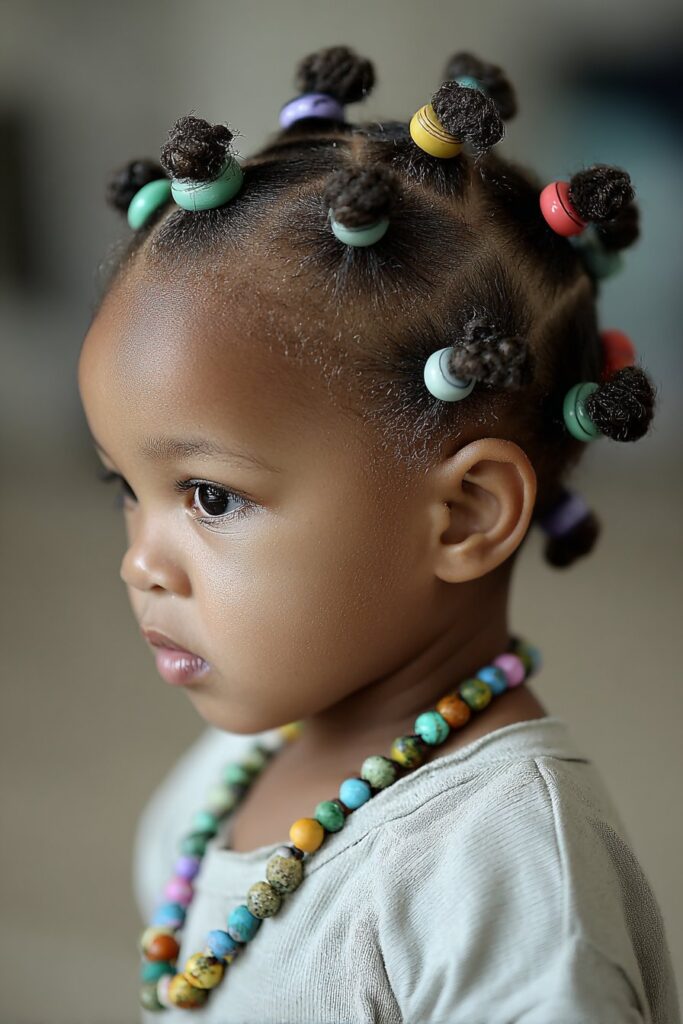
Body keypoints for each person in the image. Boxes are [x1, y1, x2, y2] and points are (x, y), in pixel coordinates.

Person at [77, 44, 680, 1024]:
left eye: (210, 496)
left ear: (465, 514)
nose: (139, 559)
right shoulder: (243, 759)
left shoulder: (504, 876)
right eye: (125, 487)